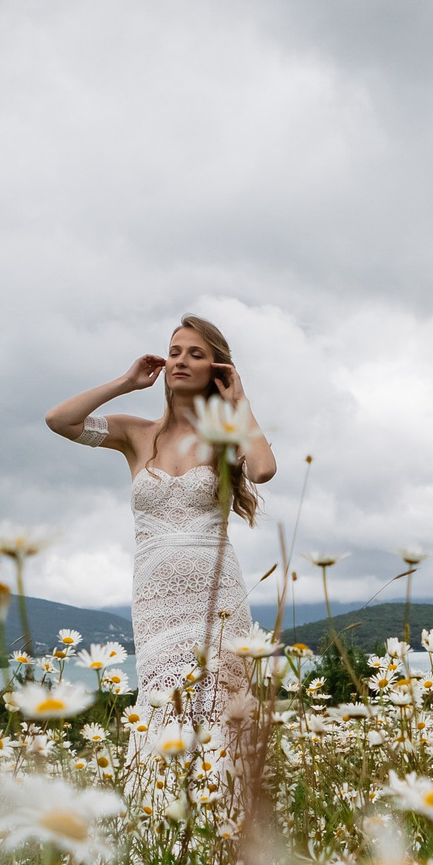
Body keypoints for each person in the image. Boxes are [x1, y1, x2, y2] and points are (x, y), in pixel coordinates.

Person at [46, 315, 278, 755]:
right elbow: (60, 420)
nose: (181, 361)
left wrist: (240, 402)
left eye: (196, 353)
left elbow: (264, 470)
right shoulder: (135, 434)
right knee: (161, 707)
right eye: (175, 352)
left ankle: (226, 815)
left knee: (221, 712)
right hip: (155, 603)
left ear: (217, 370)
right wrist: (126, 382)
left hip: (218, 600)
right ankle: (163, 816)